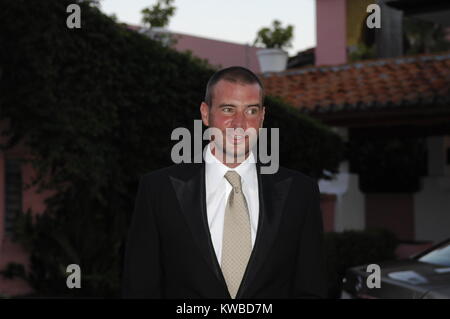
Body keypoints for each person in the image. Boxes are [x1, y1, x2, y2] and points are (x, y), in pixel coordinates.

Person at [122, 66, 327, 299]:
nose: (239, 124)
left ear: (262, 117)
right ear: (205, 113)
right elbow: (140, 289)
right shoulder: (158, 190)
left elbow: (312, 289)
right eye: (228, 109)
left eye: (251, 111)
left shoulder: (300, 192)